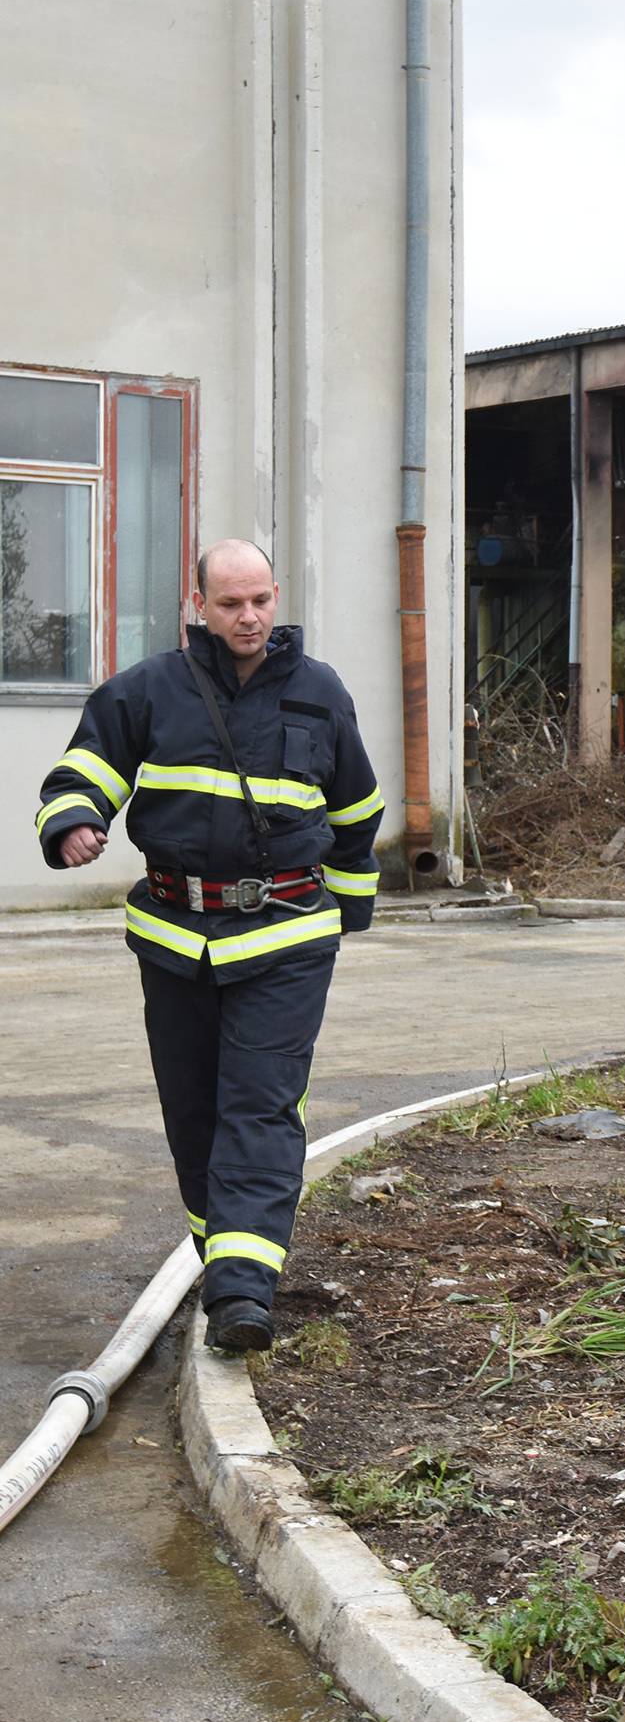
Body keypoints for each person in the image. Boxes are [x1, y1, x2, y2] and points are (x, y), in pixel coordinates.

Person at [34, 539, 383, 1351]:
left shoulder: (320, 692)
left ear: (276, 595)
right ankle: (218, 1253)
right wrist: (76, 822)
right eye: (231, 604)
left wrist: (352, 909)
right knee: (194, 1112)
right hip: (175, 938)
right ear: (199, 605)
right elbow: (83, 768)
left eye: (260, 600)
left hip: (287, 933)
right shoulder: (150, 690)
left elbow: (358, 811)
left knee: (259, 1106)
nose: (249, 617)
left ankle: (242, 1293)